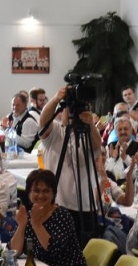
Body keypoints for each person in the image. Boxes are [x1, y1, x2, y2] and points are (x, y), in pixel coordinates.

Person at [37, 86, 103, 242]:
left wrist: (90, 124)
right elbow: (43, 122)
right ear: (63, 110)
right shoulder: (55, 131)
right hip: (56, 203)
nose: (74, 113)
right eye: (70, 109)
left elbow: (97, 146)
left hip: (84, 206)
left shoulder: (89, 134)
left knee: (83, 250)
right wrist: (56, 99)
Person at [9, 169, 87, 266]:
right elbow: (14, 252)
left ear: (53, 194)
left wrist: (36, 224)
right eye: (36, 191)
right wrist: (21, 225)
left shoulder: (62, 215)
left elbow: (52, 250)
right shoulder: (28, 216)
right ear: (29, 193)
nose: (41, 195)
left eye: (46, 191)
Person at [105, 117, 138, 182]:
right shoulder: (110, 147)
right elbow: (106, 171)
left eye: (125, 129)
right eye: (119, 129)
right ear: (116, 132)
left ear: (131, 130)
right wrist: (113, 159)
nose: (123, 132)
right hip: (112, 185)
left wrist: (125, 158)